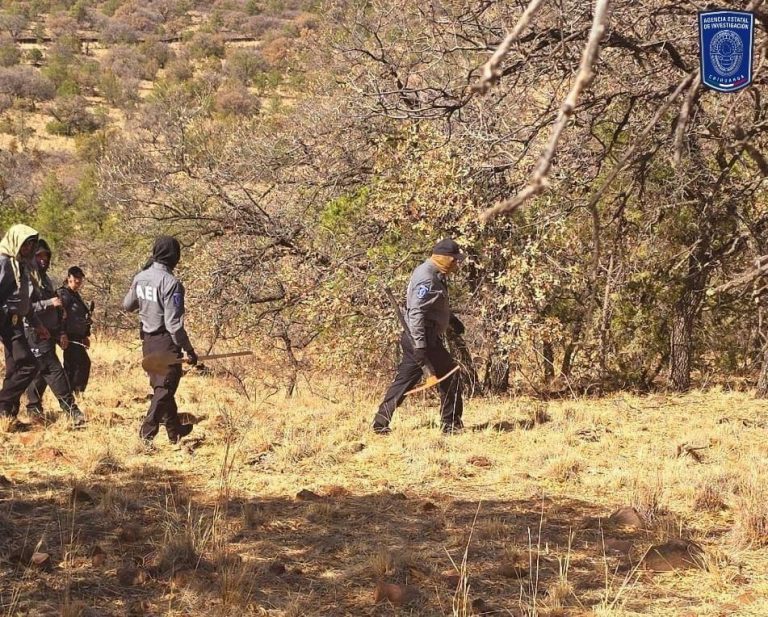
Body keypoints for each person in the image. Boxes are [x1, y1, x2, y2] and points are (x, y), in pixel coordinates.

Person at [372, 238, 465, 435]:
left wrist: (451, 320)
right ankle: (451, 425)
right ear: (442, 257)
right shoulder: (427, 278)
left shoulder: (434, 272)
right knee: (450, 375)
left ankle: (380, 423)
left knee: (405, 380)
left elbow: (432, 306)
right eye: (454, 260)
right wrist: (421, 346)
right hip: (422, 338)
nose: (456, 264)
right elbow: (416, 313)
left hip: (421, 337)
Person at [122, 236, 197, 444]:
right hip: (165, 342)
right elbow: (174, 325)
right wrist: (189, 350)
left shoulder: (140, 277)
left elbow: (127, 305)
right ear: (174, 256)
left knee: (162, 386)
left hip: (147, 342)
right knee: (165, 388)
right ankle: (146, 434)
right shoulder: (172, 283)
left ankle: (175, 431)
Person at [24, 239, 86, 427]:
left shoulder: (44, 278)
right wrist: (49, 303)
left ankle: (33, 408)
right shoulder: (27, 278)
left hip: (49, 332)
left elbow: (57, 307)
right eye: (39, 256)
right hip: (34, 331)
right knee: (53, 369)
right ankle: (72, 410)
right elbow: (25, 307)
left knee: (40, 371)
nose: (43, 259)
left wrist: (60, 332)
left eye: (46, 255)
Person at [0, 224, 48, 428]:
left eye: (31, 244)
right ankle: (3, 402)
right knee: (30, 365)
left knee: (14, 369)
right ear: (15, 242)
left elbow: (23, 301)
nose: (28, 248)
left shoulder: (21, 264)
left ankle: (7, 416)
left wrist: (37, 325)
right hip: (6, 321)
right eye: (25, 244)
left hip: (16, 321)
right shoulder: (4, 262)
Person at [58, 266, 92, 394]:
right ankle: (72, 393)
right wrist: (62, 333)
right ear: (69, 278)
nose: (78, 280)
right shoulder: (64, 294)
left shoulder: (75, 295)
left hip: (78, 336)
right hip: (69, 336)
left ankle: (73, 393)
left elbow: (80, 316)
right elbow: (60, 315)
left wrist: (85, 335)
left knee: (78, 365)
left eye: (80, 278)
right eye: (75, 277)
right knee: (78, 364)